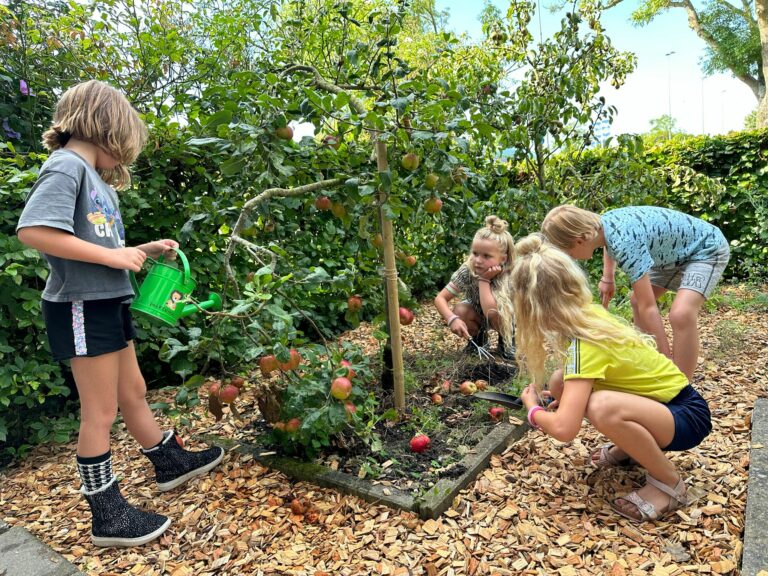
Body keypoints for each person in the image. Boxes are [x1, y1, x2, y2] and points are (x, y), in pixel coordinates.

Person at [16, 80, 224, 547]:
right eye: (123, 147)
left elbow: (95, 243)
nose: (124, 160)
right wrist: (113, 259)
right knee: (100, 411)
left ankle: (168, 461)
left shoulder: (93, 178)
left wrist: (139, 250)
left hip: (106, 301)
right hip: (79, 307)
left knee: (134, 390)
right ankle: (106, 513)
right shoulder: (66, 166)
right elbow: (33, 231)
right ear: (106, 127)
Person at [512, 234, 711, 522]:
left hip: (686, 417)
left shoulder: (584, 344)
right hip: (669, 406)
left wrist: (533, 409)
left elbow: (565, 430)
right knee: (559, 382)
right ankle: (631, 449)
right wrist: (557, 398)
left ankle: (669, 484)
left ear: (532, 307)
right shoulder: (589, 315)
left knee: (601, 406)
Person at [541, 204, 730, 380]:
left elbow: (649, 308)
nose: (570, 258)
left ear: (580, 240)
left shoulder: (625, 243)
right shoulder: (603, 226)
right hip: (669, 256)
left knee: (681, 314)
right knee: (636, 302)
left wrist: (667, 361)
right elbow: (609, 245)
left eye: (568, 253)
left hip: (705, 249)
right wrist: (608, 277)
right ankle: (652, 365)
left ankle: (680, 384)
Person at [434, 215, 516, 359]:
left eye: (486, 256)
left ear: (503, 258)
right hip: (478, 312)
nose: (478, 260)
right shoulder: (468, 270)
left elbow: (492, 313)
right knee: (461, 311)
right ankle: (479, 339)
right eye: (475, 253)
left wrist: (484, 280)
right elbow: (440, 298)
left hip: (506, 319)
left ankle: (507, 342)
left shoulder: (510, 275)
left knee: (502, 315)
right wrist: (451, 318)